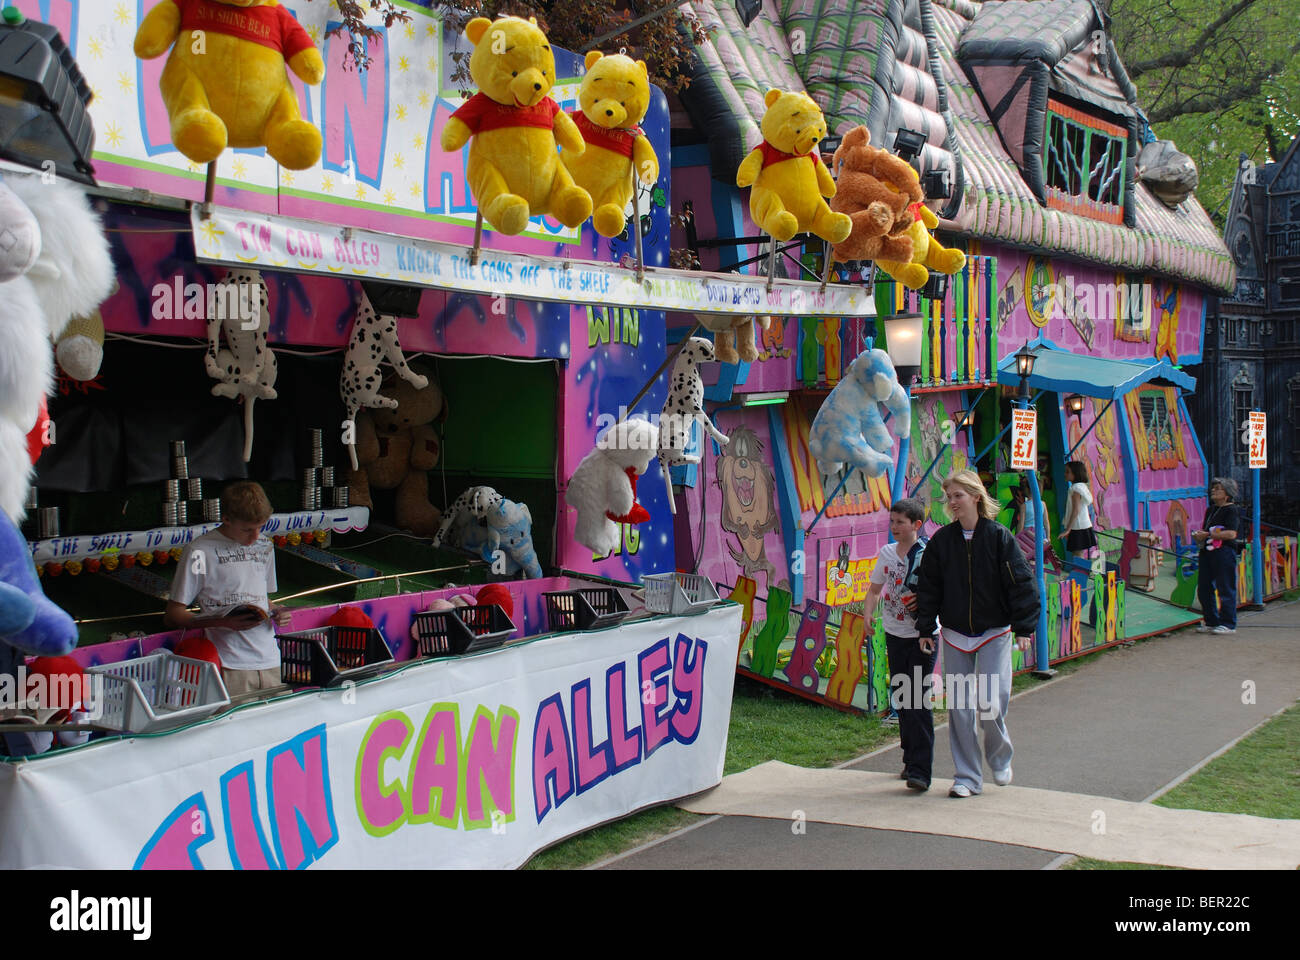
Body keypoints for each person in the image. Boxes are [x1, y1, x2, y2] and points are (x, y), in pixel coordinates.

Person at [914, 470, 1040, 798]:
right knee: (959, 706)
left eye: (958, 495)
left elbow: (1021, 583)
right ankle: (967, 777)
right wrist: (926, 627)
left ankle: (999, 758)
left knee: (991, 701)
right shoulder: (941, 541)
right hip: (955, 632)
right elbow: (928, 586)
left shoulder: (999, 538)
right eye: (949, 497)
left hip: (994, 631)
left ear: (976, 496)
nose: (952, 502)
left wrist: (1025, 626)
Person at [166, 481, 291, 696]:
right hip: (230, 665)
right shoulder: (199, 551)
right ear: (226, 519)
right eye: (247, 529)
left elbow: (261, 598)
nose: (255, 537)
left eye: (261, 527)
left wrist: (277, 610)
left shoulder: (265, 545)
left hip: (272, 659)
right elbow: (173, 614)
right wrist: (222, 622)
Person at [864, 498, 933, 791]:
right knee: (902, 700)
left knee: (917, 700)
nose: (894, 527)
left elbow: (938, 593)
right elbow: (875, 589)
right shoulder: (887, 553)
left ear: (916, 525)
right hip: (894, 633)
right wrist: (868, 613)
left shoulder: (927, 555)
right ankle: (909, 760)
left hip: (921, 636)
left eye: (900, 522)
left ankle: (921, 770)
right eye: (892, 522)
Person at [1193, 478, 1241, 635]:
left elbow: (1232, 533)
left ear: (1227, 494)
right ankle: (1211, 620)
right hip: (1207, 551)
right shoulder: (1211, 509)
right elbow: (1207, 529)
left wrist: (1209, 534)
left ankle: (1228, 623)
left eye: (1218, 489)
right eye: (1213, 488)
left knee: (1225, 587)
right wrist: (1201, 535)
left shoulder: (1231, 510)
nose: (1214, 491)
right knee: (1204, 588)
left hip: (1224, 552)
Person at [1062, 460, 1097, 564]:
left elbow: (1075, 510)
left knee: (1077, 555)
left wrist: (1068, 529)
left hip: (1077, 526)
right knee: (1079, 554)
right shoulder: (1082, 487)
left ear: (1075, 474)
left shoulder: (1076, 488)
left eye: (1068, 472)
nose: (1065, 474)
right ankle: (1080, 577)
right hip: (1083, 525)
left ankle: (1079, 578)